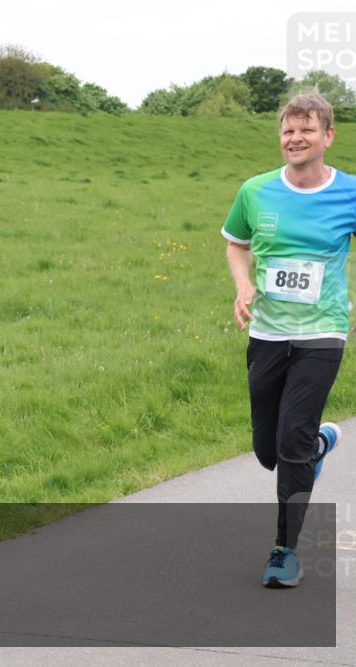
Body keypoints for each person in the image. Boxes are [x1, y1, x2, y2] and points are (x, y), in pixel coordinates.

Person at [222, 91, 353, 588]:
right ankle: (318, 444)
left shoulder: (349, 193)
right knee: (267, 449)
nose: (295, 138)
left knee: (291, 439)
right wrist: (243, 285)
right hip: (268, 333)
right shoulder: (255, 191)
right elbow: (237, 243)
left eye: (307, 129)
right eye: (288, 131)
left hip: (323, 332)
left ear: (328, 136)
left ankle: (284, 550)